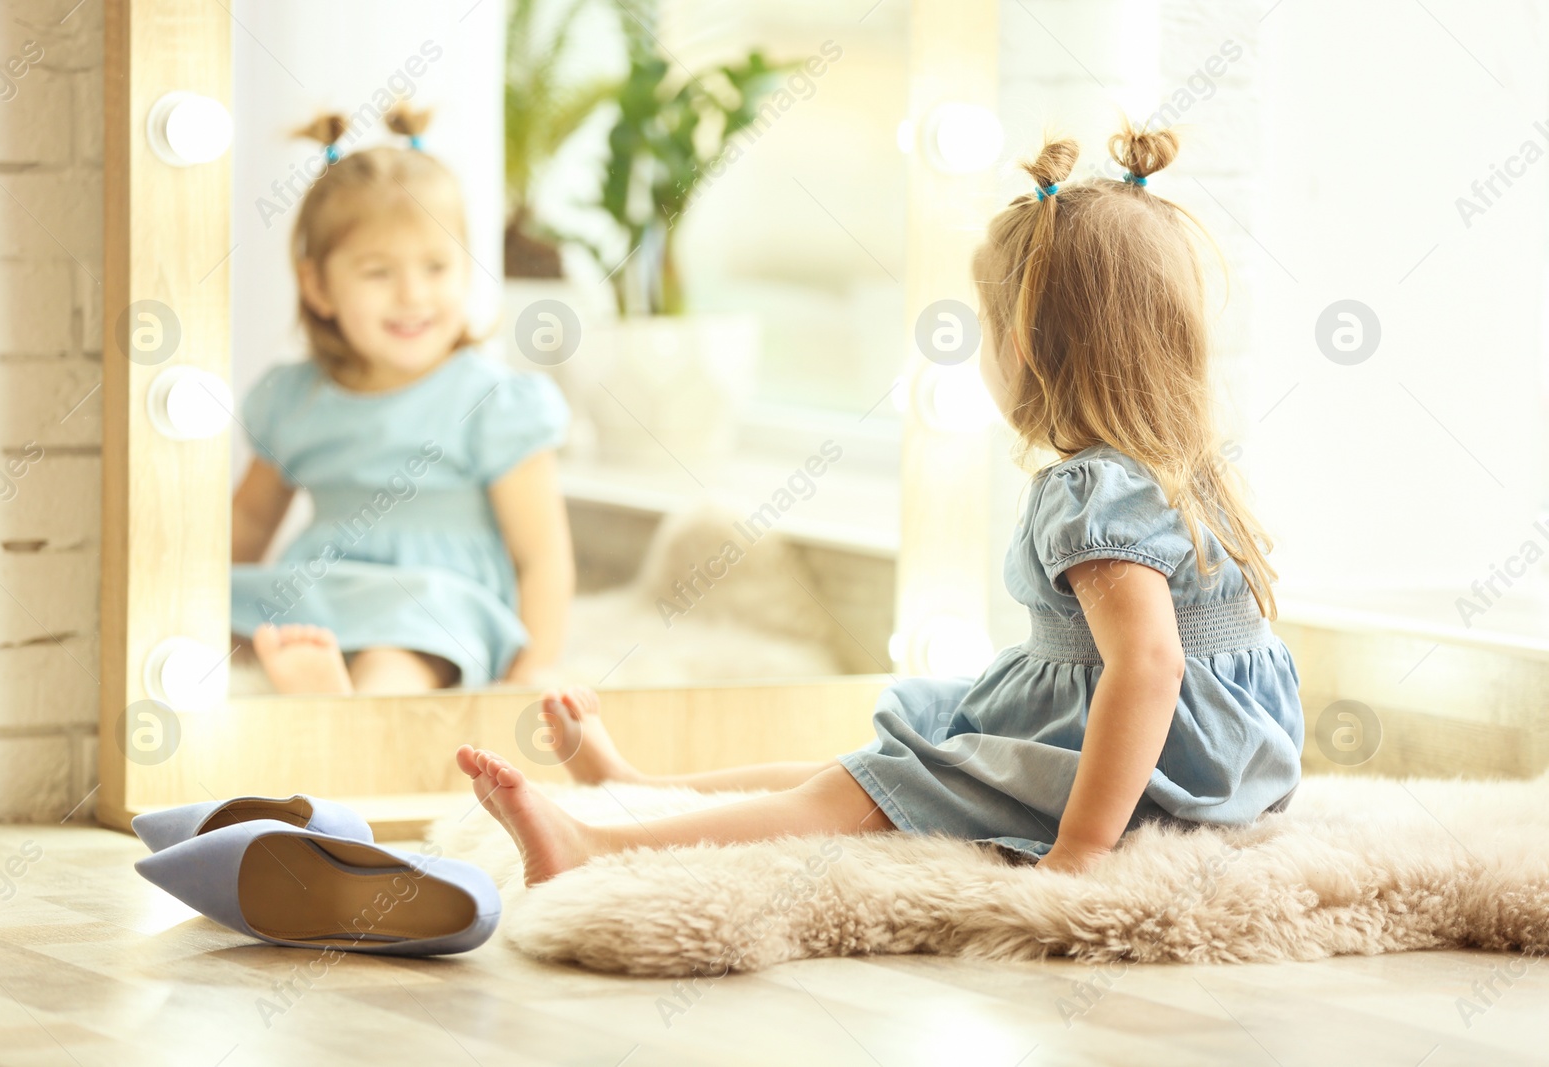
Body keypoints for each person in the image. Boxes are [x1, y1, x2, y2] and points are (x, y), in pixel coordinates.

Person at [457, 121, 1303, 882]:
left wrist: (1080, 846)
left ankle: (600, 845)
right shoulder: (1195, 470)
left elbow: (1150, 666)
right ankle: (645, 790)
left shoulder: (1091, 491)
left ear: (1018, 348)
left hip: (1143, 770)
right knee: (881, 760)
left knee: (861, 788)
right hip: (1226, 761)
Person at [231, 107, 572, 694]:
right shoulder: (295, 399)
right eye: (378, 273)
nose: (413, 295)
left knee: (394, 667)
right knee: (218, 626)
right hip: (325, 591)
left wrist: (531, 667)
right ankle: (312, 675)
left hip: (436, 609)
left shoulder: (491, 403)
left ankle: (346, 703)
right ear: (318, 286)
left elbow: (543, 556)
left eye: (436, 267)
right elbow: (250, 518)